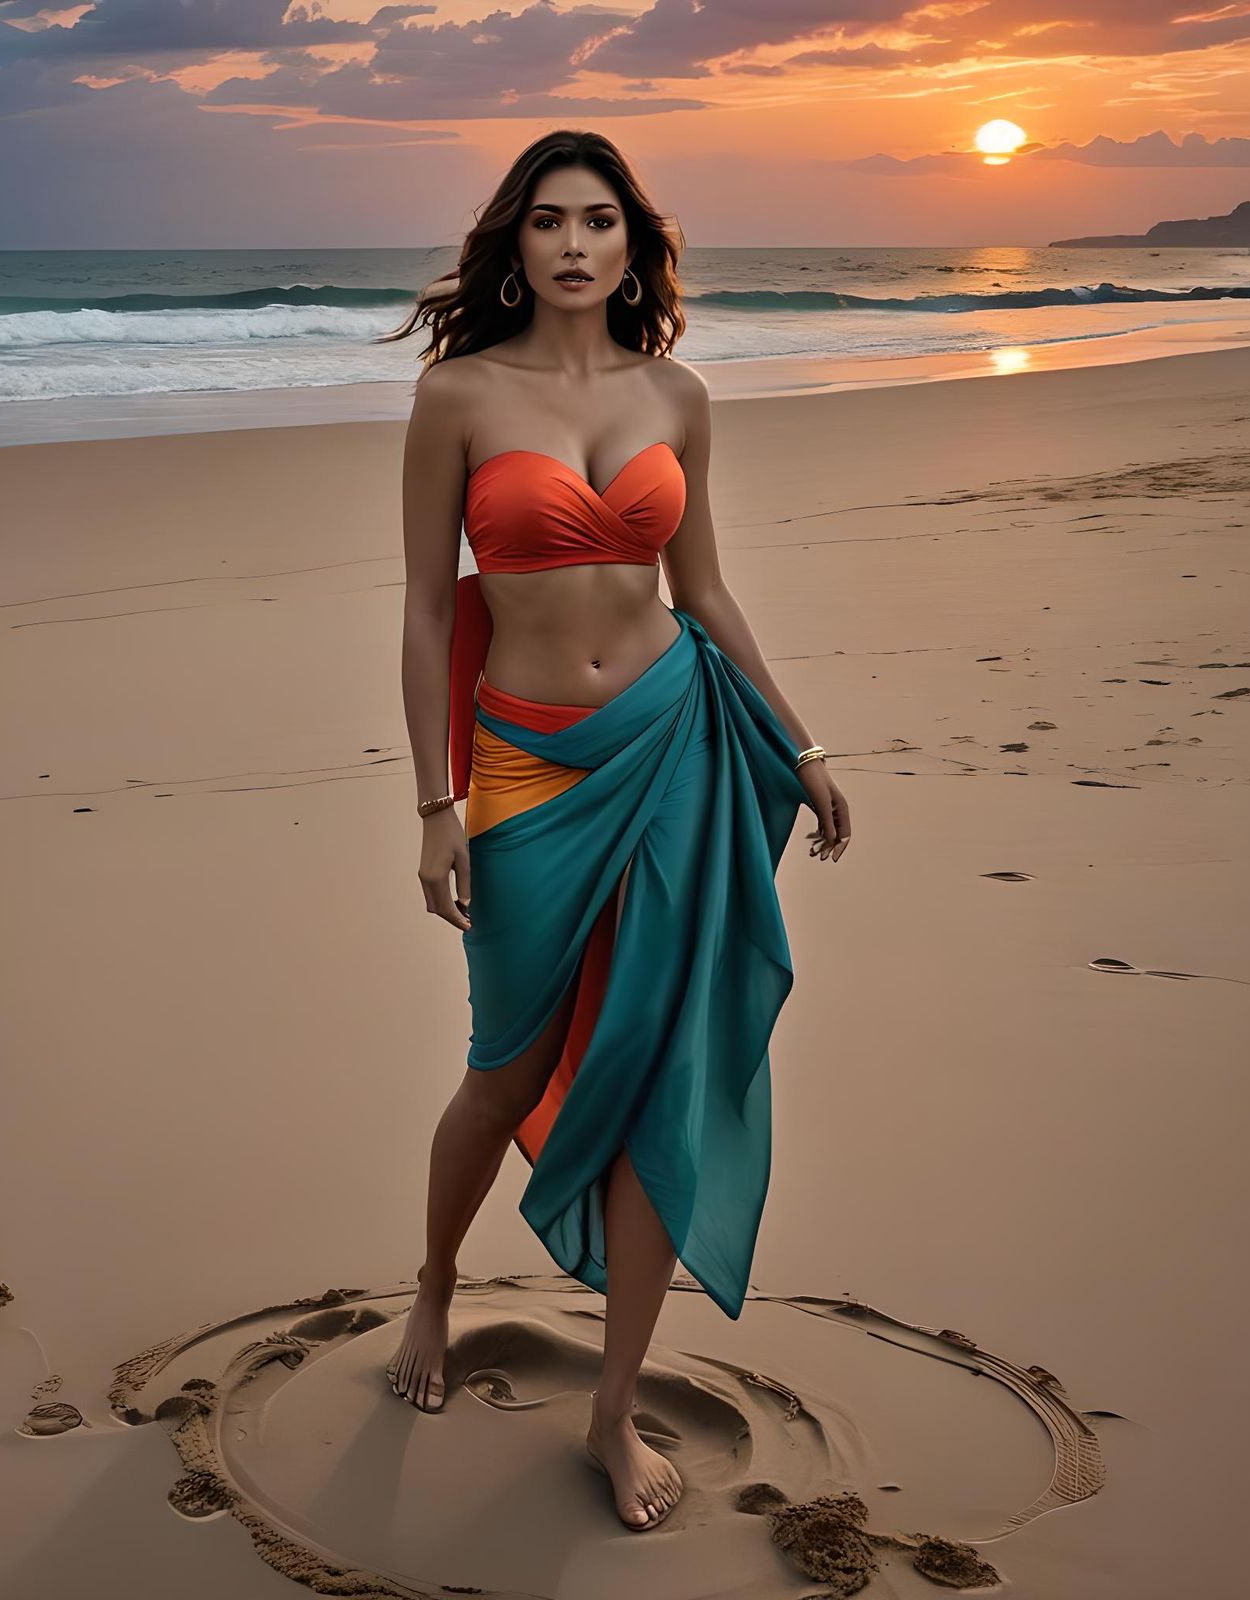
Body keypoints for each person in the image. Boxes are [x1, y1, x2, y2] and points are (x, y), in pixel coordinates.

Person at [377, 130, 851, 1531]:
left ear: (633, 245)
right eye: (546, 222)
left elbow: (702, 587)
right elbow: (420, 611)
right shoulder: (457, 396)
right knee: (504, 1067)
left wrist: (801, 740)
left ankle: (611, 1407)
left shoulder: (680, 395)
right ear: (510, 245)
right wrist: (433, 802)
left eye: (598, 222)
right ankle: (436, 1287)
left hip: (676, 746)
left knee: (653, 1068)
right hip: (526, 770)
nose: (573, 245)